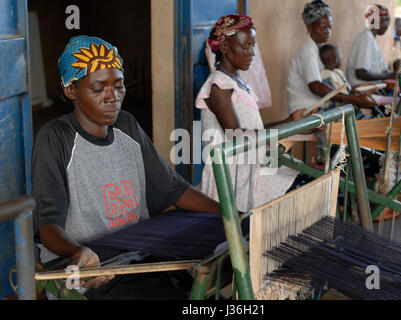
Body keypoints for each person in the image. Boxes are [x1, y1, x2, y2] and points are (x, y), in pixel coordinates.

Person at [32, 35, 223, 299]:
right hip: (92, 273)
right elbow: (48, 226)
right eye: (99, 89)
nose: (113, 97)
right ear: (71, 90)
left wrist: (233, 217)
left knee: (208, 293)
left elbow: (174, 189)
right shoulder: (56, 137)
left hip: (141, 257)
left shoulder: (127, 125)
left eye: (119, 86)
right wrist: (78, 253)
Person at [196, 14, 300, 213]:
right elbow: (236, 135)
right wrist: (288, 124)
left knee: (305, 182)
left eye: (253, 46)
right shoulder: (218, 86)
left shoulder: (239, 83)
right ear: (225, 47)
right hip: (234, 175)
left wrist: (290, 121)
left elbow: (255, 130)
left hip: (251, 164)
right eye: (245, 47)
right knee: (298, 188)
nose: (252, 53)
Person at [287, 0, 376, 122]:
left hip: (321, 107)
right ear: (309, 27)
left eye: (330, 27)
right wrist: (353, 98)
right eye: (323, 27)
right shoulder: (308, 52)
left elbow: (328, 85)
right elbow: (316, 87)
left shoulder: (319, 50)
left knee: (363, 119)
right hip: (306, 110)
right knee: (363, 123)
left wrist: (356, 88)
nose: (328, 31)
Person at [346, 4, 396, 87]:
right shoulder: (366, 39)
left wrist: (391, 74)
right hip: (361, 91)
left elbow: (383, 71)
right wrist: (390, 75)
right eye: (386, 21)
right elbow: (361, 73)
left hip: (372, 88)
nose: (387, 25)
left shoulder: (371, 39)